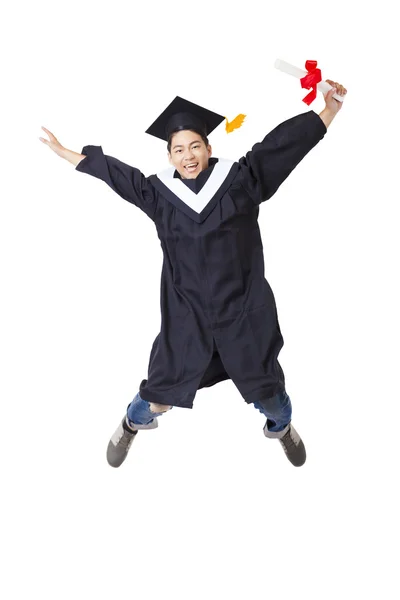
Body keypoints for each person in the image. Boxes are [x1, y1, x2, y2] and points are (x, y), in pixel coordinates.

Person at [39, 80, 347, 469]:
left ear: (209, 148)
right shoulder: (158, 195)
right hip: (188, 317)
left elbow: (280, 148)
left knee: (269, 393)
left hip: (243, 311)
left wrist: (328, 111)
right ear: (169, 156)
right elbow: (119, 175)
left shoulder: (240, 181)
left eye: (195, 146)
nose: (188, 156)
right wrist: (68, 153)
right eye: (179, 149)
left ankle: (281, 427)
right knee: (159, 394)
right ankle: (133, 423)